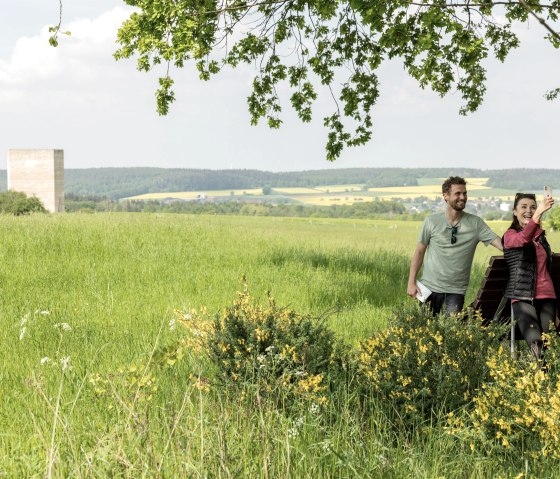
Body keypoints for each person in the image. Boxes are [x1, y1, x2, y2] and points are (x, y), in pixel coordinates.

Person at [407, 176, 503, 315]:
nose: (462, 197)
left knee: (452, 334)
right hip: (428, 289)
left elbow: (502, 244)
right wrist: (411, 282)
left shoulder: (476, 223)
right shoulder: (431, 221)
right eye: (457, 193)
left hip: (455, 292)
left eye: (464, 193)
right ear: (446, 196)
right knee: (426, 333)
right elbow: (419, 252)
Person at [502, 193, 556, 360]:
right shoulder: (510, 235)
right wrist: (539, 213)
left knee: (548, 344)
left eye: (533, 207)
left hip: (547, 296)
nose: (529, 210)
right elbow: (523, 239)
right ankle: (539, 381)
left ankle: (546, 383)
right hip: (522, 296)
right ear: (514, 212)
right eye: (523, 207)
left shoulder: (541, 238)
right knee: (536, 345)